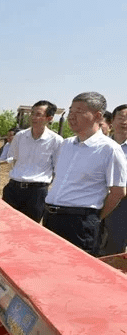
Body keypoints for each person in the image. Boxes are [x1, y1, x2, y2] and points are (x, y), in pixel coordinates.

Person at [43, 92, 127, 255]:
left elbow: (118, 192)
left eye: (79, 111)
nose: (72, 116)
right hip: (51, 217)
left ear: (97, 116)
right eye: (71, 111)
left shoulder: (109, 149)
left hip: (80, 224)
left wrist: (94, 219)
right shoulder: (66, 145)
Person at [1, 100, 63, 222]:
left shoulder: (56, 141)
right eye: (32, 113)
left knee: (28, 230)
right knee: (5, 225)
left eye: (38, 114)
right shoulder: (20, 136)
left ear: (49, 118)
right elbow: (14, 158)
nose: (33, 117)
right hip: (13, 189)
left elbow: (58, 169)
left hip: (36, 193)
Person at [101, 104, 127, 255]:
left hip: (122, 202)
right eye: (121, 118)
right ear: (112, 121)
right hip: (97, 198)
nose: (124, 122)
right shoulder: (102, 145)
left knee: (114, 245)